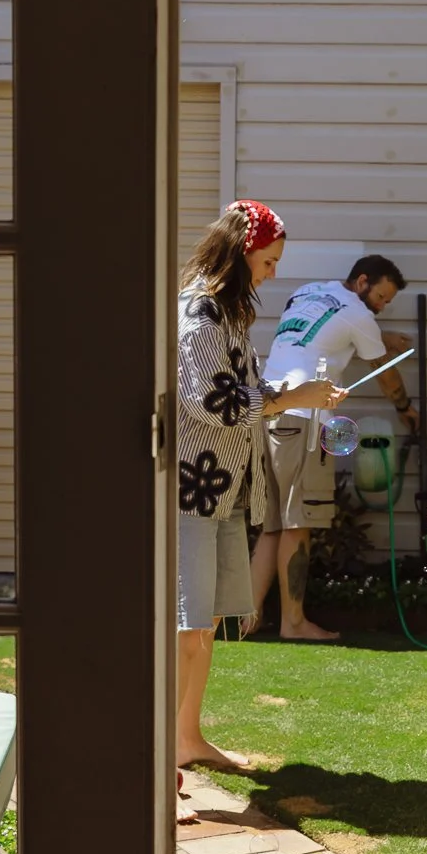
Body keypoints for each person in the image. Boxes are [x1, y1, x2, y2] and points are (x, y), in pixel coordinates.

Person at [176, 201, 343, 782]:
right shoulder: (200, 315)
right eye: (268, 262)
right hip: (191, 496)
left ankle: (187, 739)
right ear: (241, 253)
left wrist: (301, 390)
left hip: (220, 493)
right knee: (187, 630)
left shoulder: (227, 315)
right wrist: (296, 399)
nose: (273, 273)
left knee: (205, 628)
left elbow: (242, 389)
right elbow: (211, 401)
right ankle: (160, 761)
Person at [247, 253, 418, 644]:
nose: (382, 305)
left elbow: (319, 336)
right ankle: (293, 623)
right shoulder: (360, 316)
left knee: (273, 524)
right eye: (381, 297)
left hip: (268, 407)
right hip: (305, 417)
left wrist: (382, 336)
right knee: (299, 522)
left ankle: (246, 619)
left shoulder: (309, 292)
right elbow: (386, 376)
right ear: (362, 282)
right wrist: (406, 408)